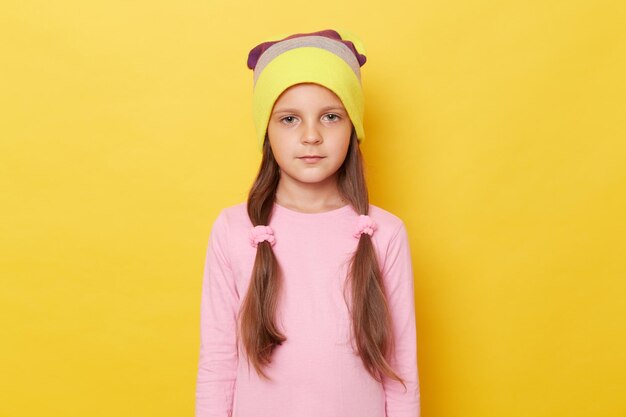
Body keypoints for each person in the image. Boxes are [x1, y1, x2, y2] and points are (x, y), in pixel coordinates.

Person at [195, 28, 420, 417]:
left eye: (330, 117)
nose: (311, 136)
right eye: (290, 119)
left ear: (353, 128)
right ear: (266, 129)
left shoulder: (386, 234)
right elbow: (217, 366)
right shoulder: (234, 229)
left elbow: (401, 373)